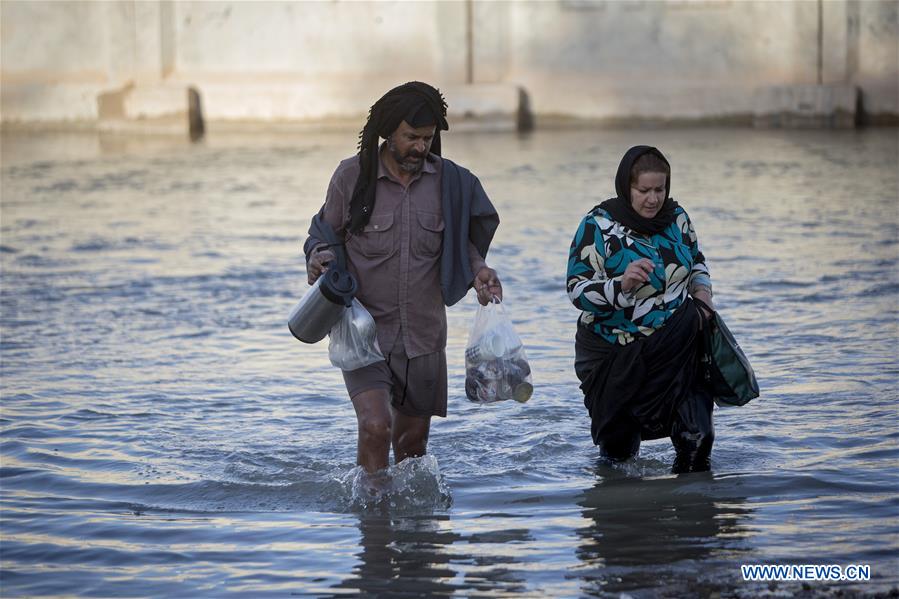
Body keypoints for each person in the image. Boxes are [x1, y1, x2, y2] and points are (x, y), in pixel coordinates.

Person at [304, 82, 503, 476]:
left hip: (424, 337)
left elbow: (463, 241)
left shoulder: (452, 183)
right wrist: (319, 258)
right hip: (363, 332)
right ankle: (375, 526)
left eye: (427, 138)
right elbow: (322, 235)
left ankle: (414, 534)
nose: (420, 147)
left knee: (412, 448)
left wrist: (479, 270)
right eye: (411, 137)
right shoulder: (352, 177)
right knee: (375, 427)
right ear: (388, 132)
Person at [566, 145, 716, 473]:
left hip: (677, 344)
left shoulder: (678, 219)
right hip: (615, 356)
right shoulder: (598, 225)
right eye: (643, 190)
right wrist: (621, 285)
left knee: (698, 439)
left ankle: (694, 517)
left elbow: (696, 261)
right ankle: (628, 520)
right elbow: (577, 291)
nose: (653, 199)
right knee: (618, 459)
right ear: (626, 187)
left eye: (659, 189)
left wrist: (703, 294)